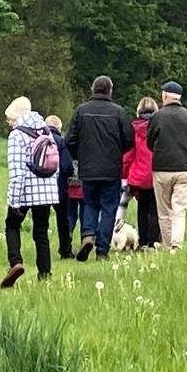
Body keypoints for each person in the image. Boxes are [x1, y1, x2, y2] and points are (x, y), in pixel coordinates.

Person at [66, 76, 135, 261]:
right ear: (110, 90)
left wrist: (79, 156)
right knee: (109, 208)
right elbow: (129, 140)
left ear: (92, 89)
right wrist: (117, 151)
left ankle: (88, 234)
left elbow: (69, 140)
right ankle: (102, 250)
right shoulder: (119, 112)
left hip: (87, 168)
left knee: (90, 204)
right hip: (111, 169)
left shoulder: (81, 111)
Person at [1, 97, 60, 286]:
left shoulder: (17, 135)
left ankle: (15, 262)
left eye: (9, 119)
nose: (9, 123)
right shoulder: (47, 131)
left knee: (12, 225)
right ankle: (45, 274)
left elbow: (17, 172)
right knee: (41, 232)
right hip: (47, 191)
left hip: (26, 190)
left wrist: (14, 201)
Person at [146, 81, 187, 250]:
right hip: (185, 167)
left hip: (162, 168)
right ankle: (176, 244)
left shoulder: (158, 116)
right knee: (179, 208)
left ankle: (167, 242)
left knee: (164, 210)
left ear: (164, 96)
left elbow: (149, 142)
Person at [121, 97, 160, 249]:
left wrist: (124, 173)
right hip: (155, 172)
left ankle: (142, 241)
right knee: (155, 208)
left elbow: (128, 154)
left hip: (137, 175)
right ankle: (153, 241)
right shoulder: (158, 127)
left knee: (142, 208)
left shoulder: (133, 129)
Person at [44, 115, 75, 259]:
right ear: (59, 128)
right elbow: (67, 166)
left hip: (41, 188)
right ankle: (65, 250)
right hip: (59, 187)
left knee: (41, 221)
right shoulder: (61, 142)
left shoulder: (38, 140)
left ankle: (42, 249)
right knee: (63, 219)